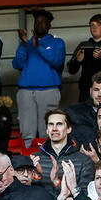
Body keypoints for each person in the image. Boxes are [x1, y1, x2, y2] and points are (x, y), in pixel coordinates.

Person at [13, 9, 65, 147]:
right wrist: (24, 45)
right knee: (27, 130)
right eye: (37, 21)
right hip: (26, 91)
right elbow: (17, 64)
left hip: (48, 90)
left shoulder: (57, 42)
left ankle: (49, 158)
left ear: (50, 26)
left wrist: (39, 47)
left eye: (43, 22)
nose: (39, 24)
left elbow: (58, 62)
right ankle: (27, 159)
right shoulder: (26, 44)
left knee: (47, 130)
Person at [30, 110, 94, 196]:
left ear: (68, 129)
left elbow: (84, 196)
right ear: (47, 130)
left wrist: (57, 182)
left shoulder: (84, 160)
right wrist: (36, 177)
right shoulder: (34, 158)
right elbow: (28, 195)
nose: (54, 129)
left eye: (59, 124)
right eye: (51, 124)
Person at [67, 14, 101, 102]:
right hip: (86, 93)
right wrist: (77, 61)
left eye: (98, 25)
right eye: (92, 25)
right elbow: (71, 69)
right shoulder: (84, 46)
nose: (94, 27)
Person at [67, 71, 101, 148]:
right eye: (96, 90)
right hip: (81, 156)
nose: (99, 94)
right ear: (90, 91)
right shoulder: (74, 112)